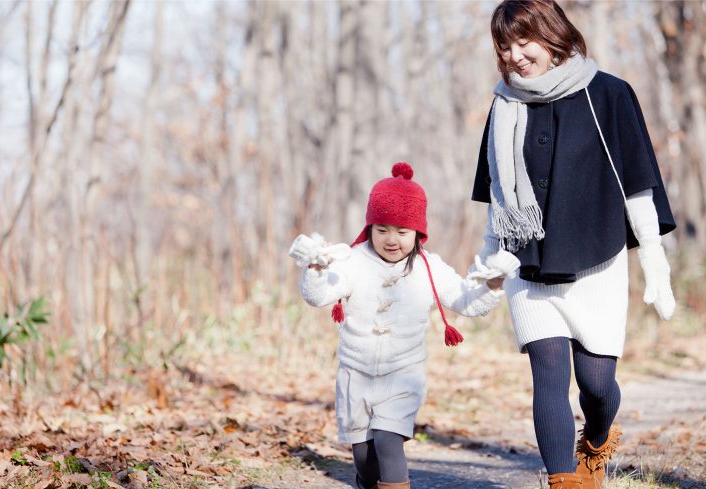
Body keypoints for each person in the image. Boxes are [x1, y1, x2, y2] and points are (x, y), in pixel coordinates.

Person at [471, 1, 677, 488]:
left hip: (597, 261)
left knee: (597, 386)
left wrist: (654, 258)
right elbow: (498, 195)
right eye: (505, 47)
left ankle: (598, 439)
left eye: (524, 42)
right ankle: (563, 481)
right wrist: (488, 262)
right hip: (529, 264)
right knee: (547, 374)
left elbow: (638, 183)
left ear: (552, 33)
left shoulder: (608, 93)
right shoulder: (505, 105)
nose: (515, 56)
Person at [290, 162, 519, 489]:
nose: (391, 240)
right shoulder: (352, 261)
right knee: (365, 461)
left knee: (387, 439)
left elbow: (465, 301)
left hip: (403, 373)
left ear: (418, 233)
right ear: (370, 228)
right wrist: (314, 269)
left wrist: (491, 285)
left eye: (402, 231)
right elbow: (319, 296)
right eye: (382, 230)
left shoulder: (430, 268)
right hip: (355, 375)